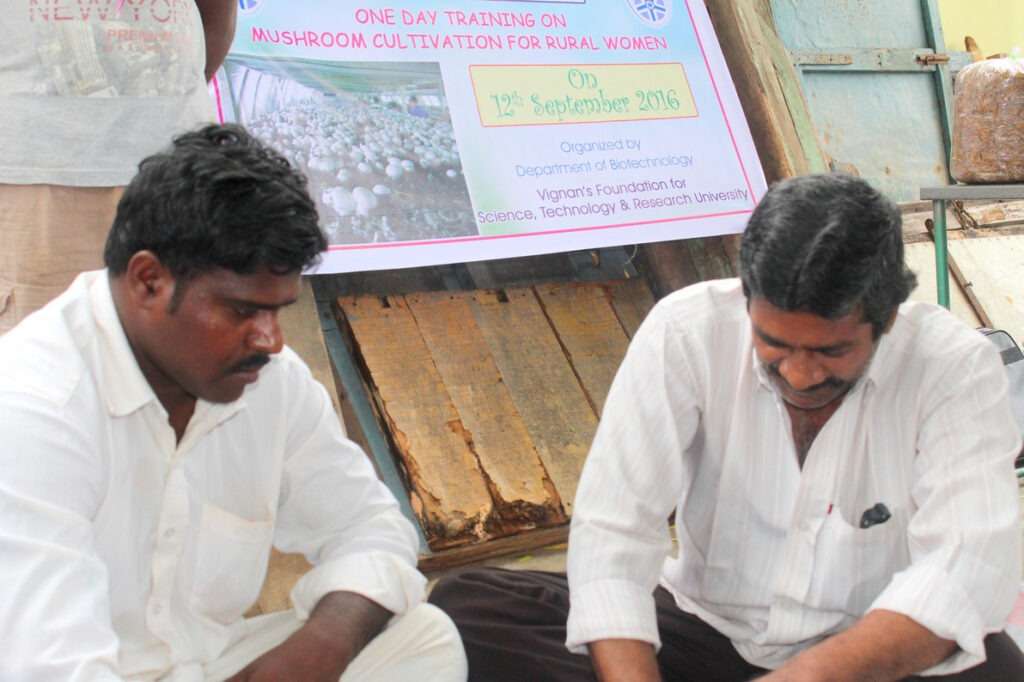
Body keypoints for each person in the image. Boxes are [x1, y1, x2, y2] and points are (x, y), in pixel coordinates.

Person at [429, 173, 1024, 681]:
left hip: (867, 648)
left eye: (831, 351)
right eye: (774, 343)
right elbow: (615, 529)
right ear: (747, 299)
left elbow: (964, 567)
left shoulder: (953, 366)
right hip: (706, 630)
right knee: (470, 610)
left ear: (887, 316)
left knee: (992, 662)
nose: (800, 375)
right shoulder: (686, 331)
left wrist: (808, 676)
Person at [0, 124, 467, 681]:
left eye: (279, 310)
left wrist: (324, 645)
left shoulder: (273, 381)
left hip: (203, 665)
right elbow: (48, 667)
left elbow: (371, 530)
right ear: (148, 282)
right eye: (243, 311)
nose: (270, 340)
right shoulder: (32, 408)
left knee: (422, 636)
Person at [0, 0, 237, 333]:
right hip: (38, 172)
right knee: (45, 349)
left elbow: (217, 13)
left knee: (181, 346)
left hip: (181, 169)